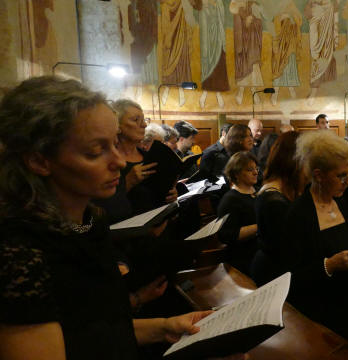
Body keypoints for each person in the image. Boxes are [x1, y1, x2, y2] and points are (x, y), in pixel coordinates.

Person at [0, 76, 231, 360]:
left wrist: (165, 327)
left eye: (114, 144)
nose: (120, 162)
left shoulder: (90, 221)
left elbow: (94, 331)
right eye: (96, 151)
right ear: (38, 161)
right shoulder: (19, 250)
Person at [282, 130, 348, 349]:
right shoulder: (298, 214)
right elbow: (290, 278)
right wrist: (329, 265)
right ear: (318, 175)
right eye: (341, 176)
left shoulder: (340, 201)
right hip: (322, 315)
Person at [251, 131, 304, 285]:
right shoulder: (273, 200)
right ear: (294, 161)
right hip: (273, 274)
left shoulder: (281, 190)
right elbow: (288, 250)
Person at [112, 99, 177, 214]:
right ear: (117, 124)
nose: (144, 124)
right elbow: (100, 207)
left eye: (144, 120)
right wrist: (128, 182)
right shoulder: (109, 161)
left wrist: (171, 194)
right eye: (136, 120)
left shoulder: (149, 156)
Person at [217, 151, 260, 275]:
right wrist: (260, 226)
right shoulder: (230, 199)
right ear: (236, 174)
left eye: (256, 168)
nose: (256, 172)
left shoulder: (258, 192)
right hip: (243, 258)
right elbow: (226, 235)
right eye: (249, 170)